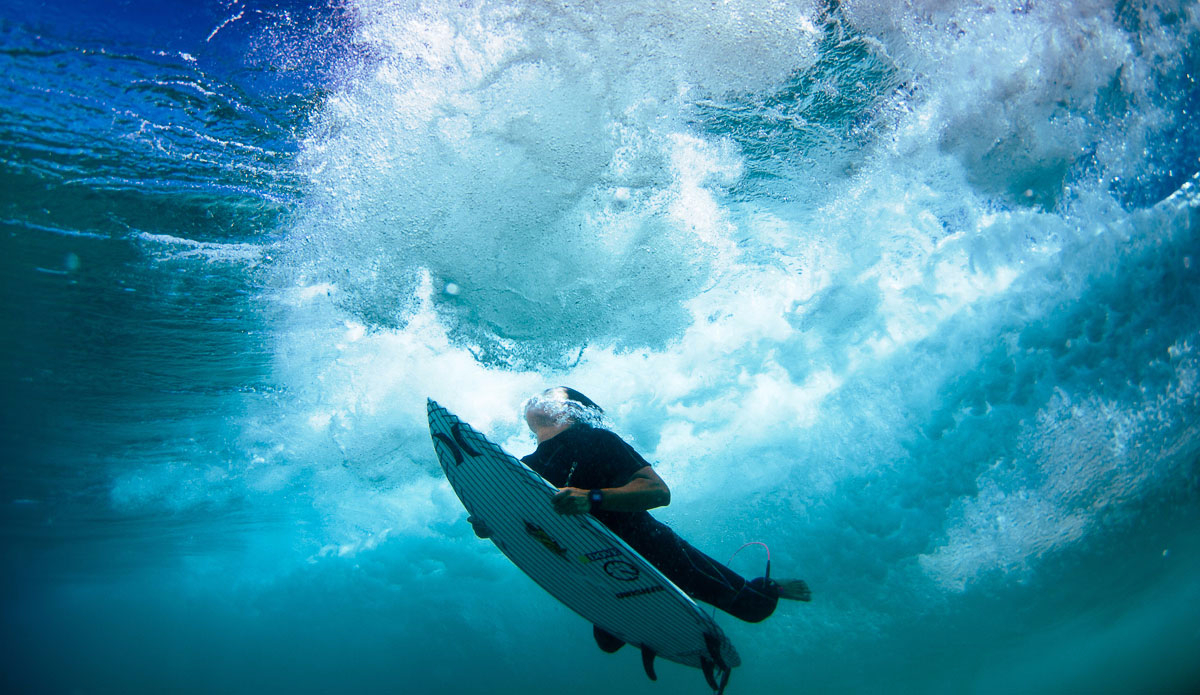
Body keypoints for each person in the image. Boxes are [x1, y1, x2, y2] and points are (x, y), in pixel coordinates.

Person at [468, 387, 810, 650]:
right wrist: (492, 523)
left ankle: (772, 586)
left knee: (751, 608)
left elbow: (658, 492)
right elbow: (526, 523)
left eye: (548, 394)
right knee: (607, 643)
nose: (535, 398)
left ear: (571, 407)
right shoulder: (524, 467)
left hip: (651, 547)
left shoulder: (596, 440)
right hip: (589, 561)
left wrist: (592, 498)